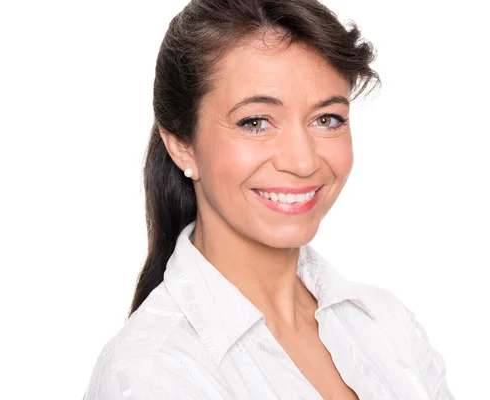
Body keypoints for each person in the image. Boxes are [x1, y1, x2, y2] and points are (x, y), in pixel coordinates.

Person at [83, 0, 454, 398]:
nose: (302, 160)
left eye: (326, 119)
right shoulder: (152, 373)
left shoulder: (387, 324)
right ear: (181, 144)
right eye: (255, 122)